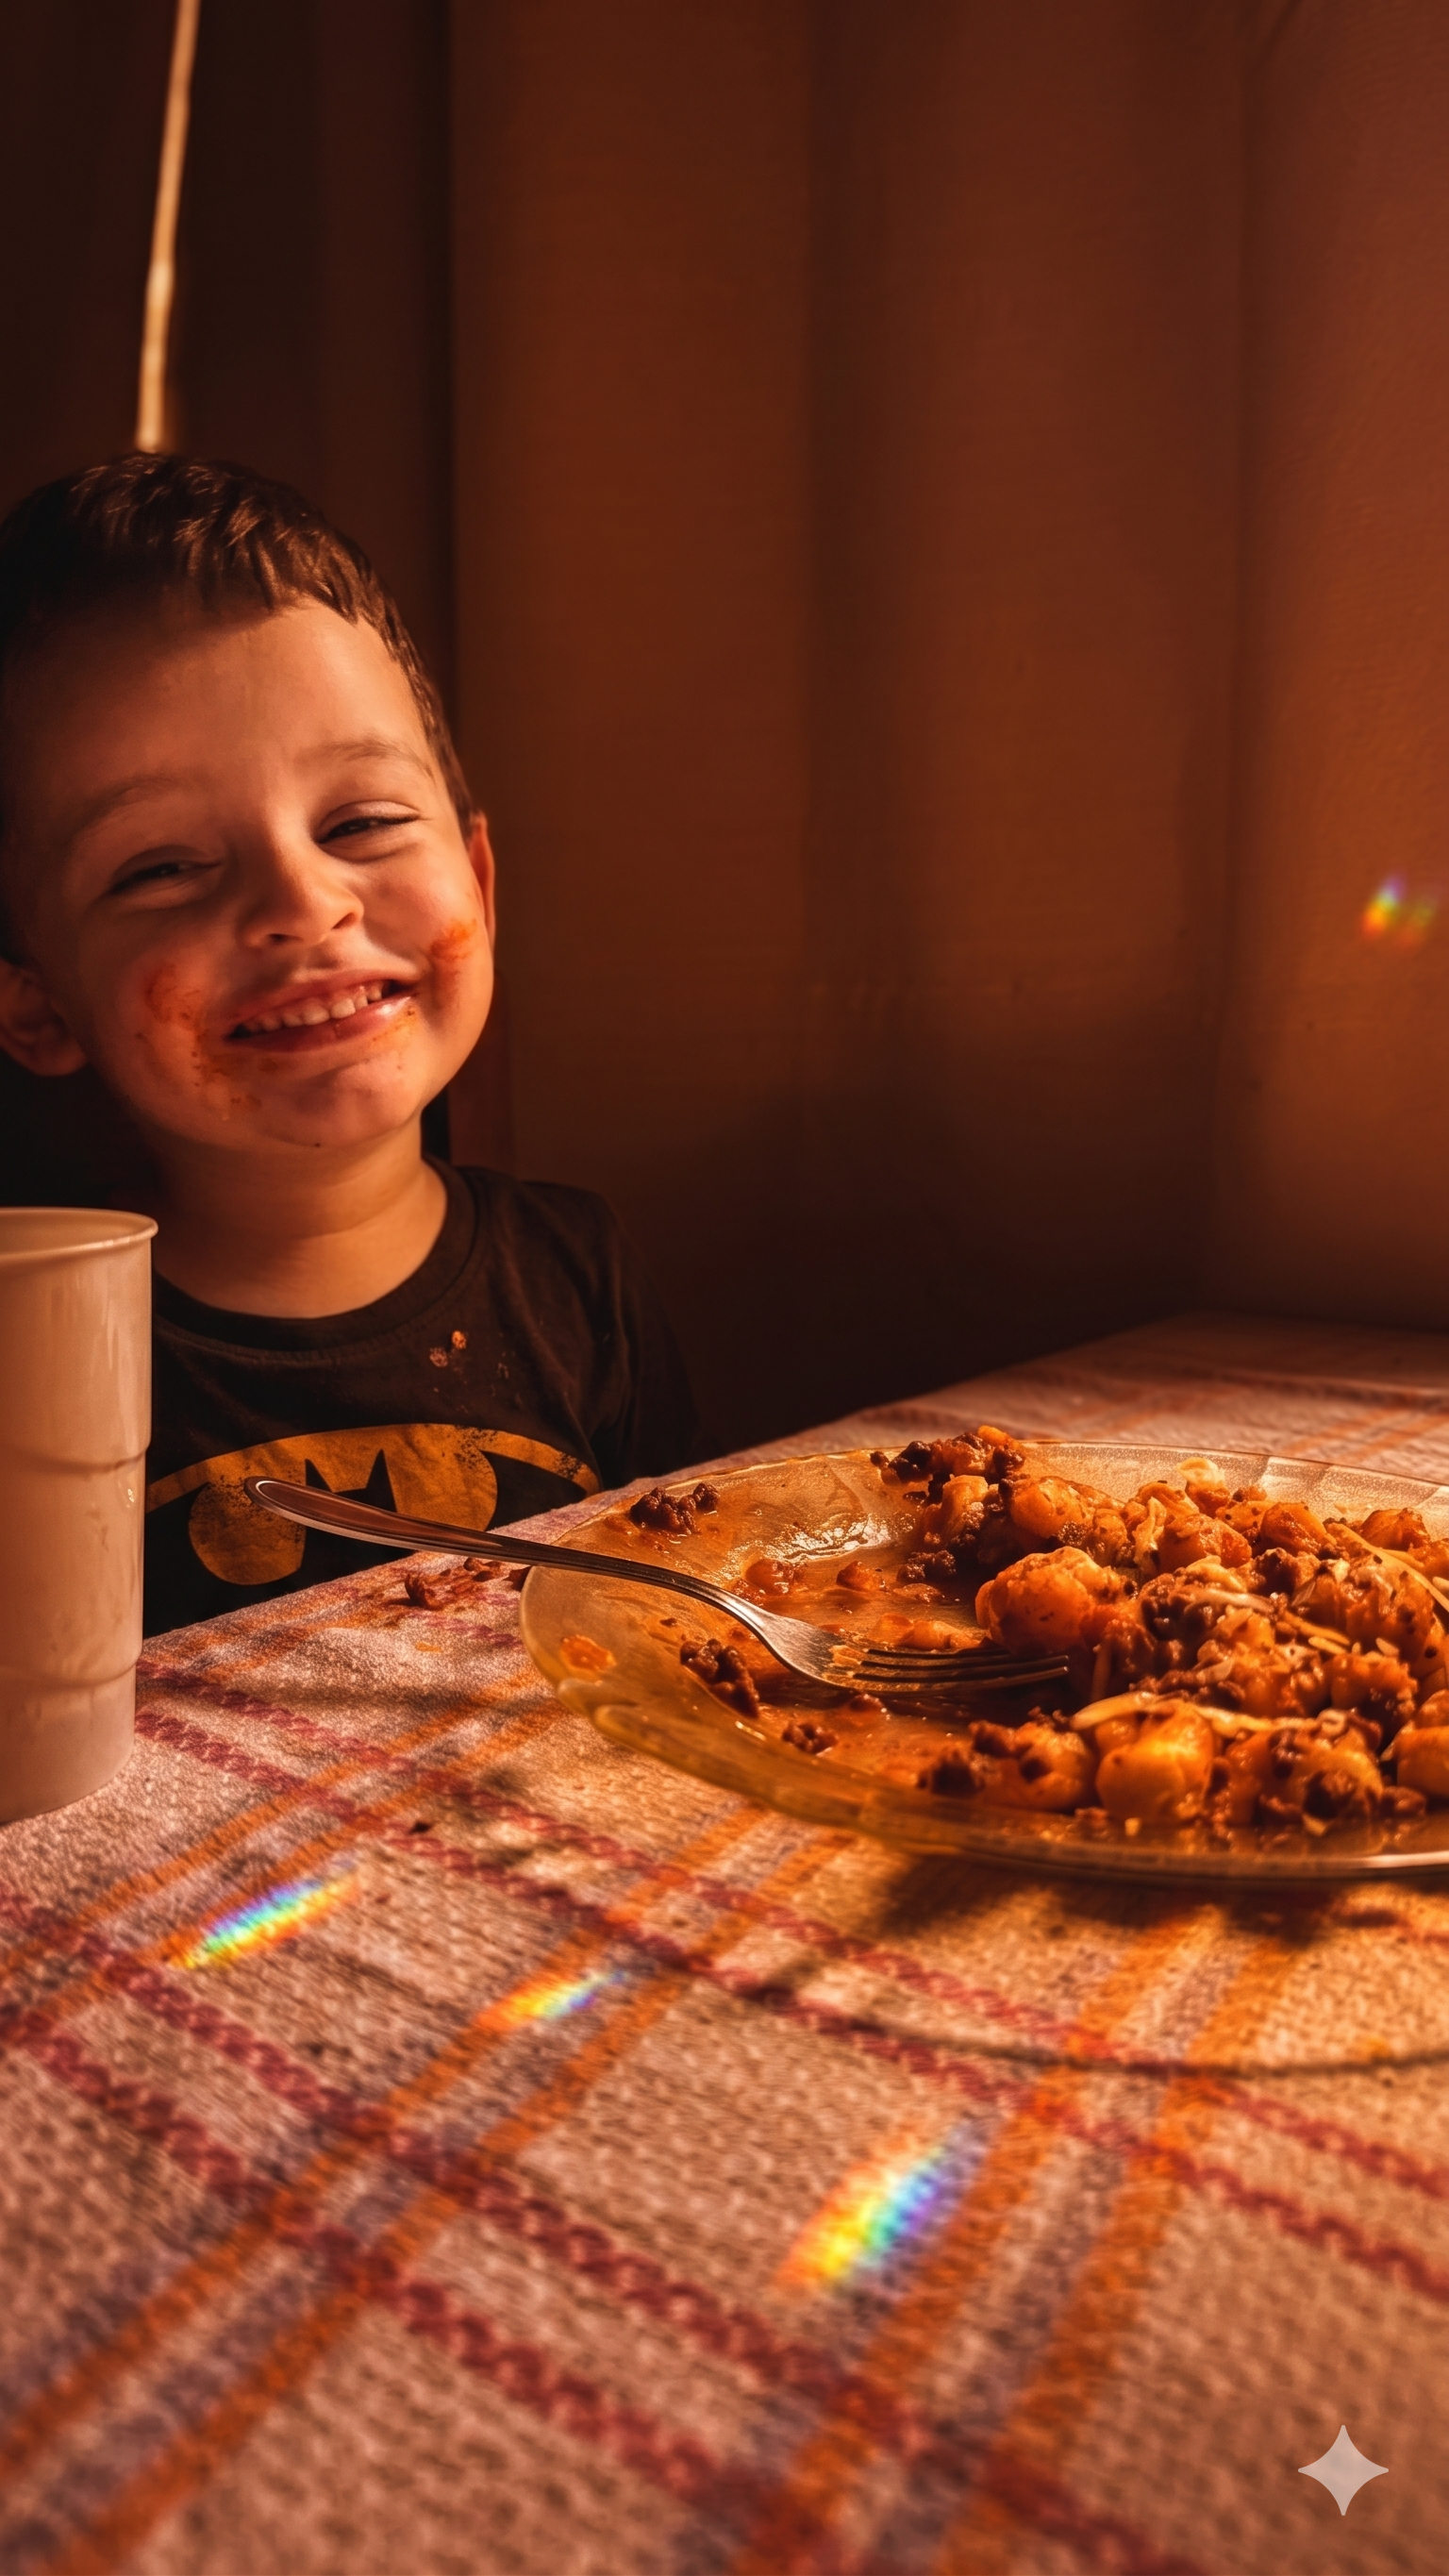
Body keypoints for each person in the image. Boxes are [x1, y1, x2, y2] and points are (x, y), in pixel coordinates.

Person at [0, 455, 701, 1632]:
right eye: (162, 867)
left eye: (362, 822)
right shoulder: (36, 1352)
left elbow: (692, 1607)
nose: (302, 898)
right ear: (38, 1010)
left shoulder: (581, 1273)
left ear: (476, 876)